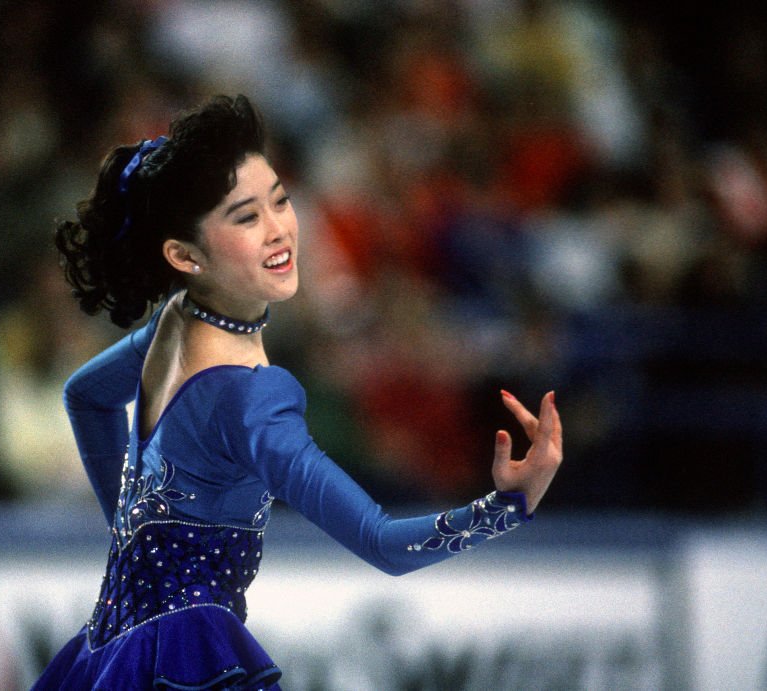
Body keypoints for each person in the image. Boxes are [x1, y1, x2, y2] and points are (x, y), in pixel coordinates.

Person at [34, 95, 563, 690]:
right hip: (189, 660)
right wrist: (507, 508)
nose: (279, 229)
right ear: (184, 255)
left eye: (280, 200)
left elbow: (87, 397)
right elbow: (384, 545)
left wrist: (132, 536)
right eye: (245, 217)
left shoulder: (173, 323)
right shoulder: (252, 399)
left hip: (110, 653)